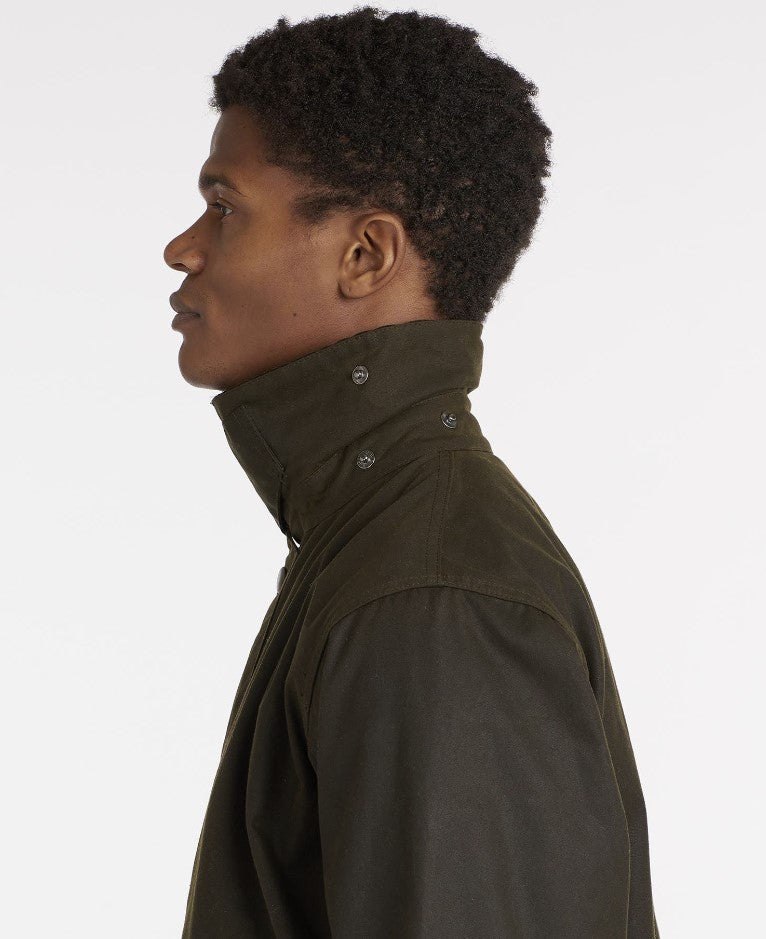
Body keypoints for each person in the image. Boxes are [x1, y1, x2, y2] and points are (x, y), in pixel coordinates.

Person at [163, 8, 660, 937]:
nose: (183, 247)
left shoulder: (428, 596)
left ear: (366, 255)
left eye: (224, 208)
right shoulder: (376, 540)